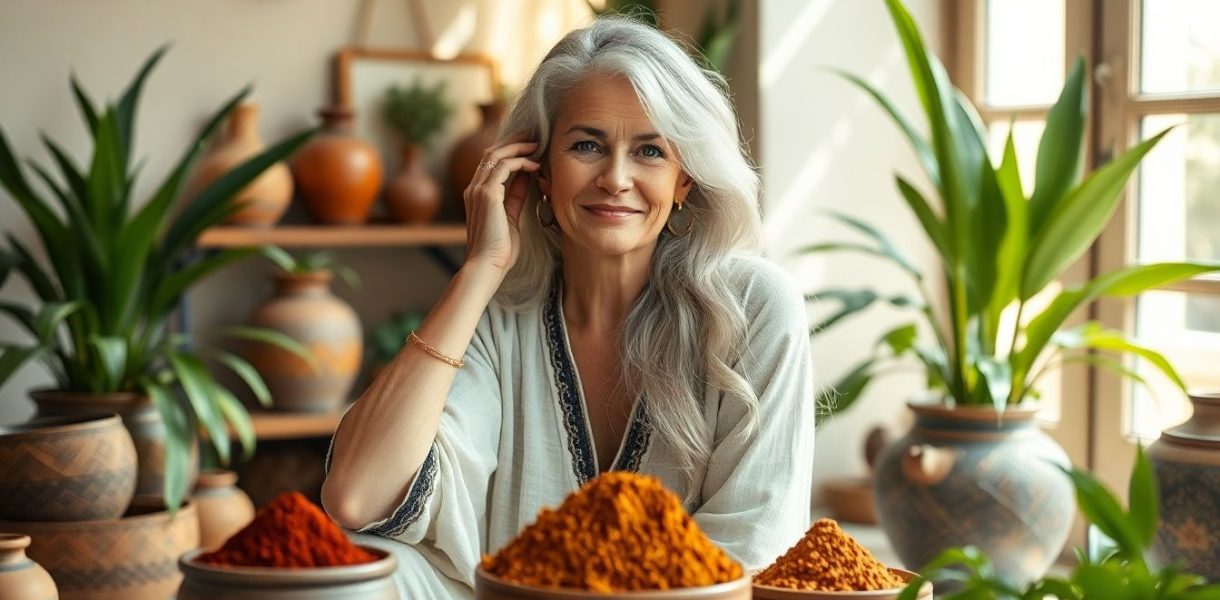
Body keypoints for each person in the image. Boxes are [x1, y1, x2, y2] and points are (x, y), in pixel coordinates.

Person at [321, 15, 816, 598]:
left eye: (651, 151)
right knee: (360, 574)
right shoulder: (500, 315)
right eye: (587, 145)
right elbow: (357, 497)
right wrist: (479, 271)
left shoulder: (754, 307)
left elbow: (750, 549)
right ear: (541, 171)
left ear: (685, 180)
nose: (616, 178)